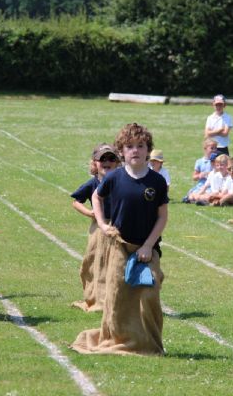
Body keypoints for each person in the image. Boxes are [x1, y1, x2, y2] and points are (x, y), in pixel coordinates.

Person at [71, 123, 168, 355]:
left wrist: (148, 246)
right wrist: (102, 223)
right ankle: (117, 337)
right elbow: (96, 197)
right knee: (117, 296)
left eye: (141, 146)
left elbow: (162, 216)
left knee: (150, 293)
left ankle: (150, 344)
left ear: (148, 150)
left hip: (147, 249)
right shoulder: (115, 177)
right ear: (122, 152)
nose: (135, 150)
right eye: (130, 146)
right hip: (119, 247)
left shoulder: (156, 181)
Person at [70, 143, 120, 313]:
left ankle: (115, 299)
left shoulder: (121, 181)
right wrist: (90, 213)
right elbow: (76, 202)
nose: (107, 162)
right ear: (94, 163)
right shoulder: (92, 183)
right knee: (95, 261)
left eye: (111, 158)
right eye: (102, 159)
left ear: (118, 162)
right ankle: (96, 297)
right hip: (98, 226)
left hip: (118, 225)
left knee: (116, 262)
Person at [182, 138, 217, 202]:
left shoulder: (217, 161)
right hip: (201, 185)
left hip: (211, 186)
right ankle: (195, 198)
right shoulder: (200, 161)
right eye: (212, 148)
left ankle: (200, 199)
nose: (214, 150)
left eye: (215, 148)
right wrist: (200, 175)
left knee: (205, 195)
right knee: (192, 195)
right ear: (205, 149)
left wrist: (211, 174)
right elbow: (194, 177)